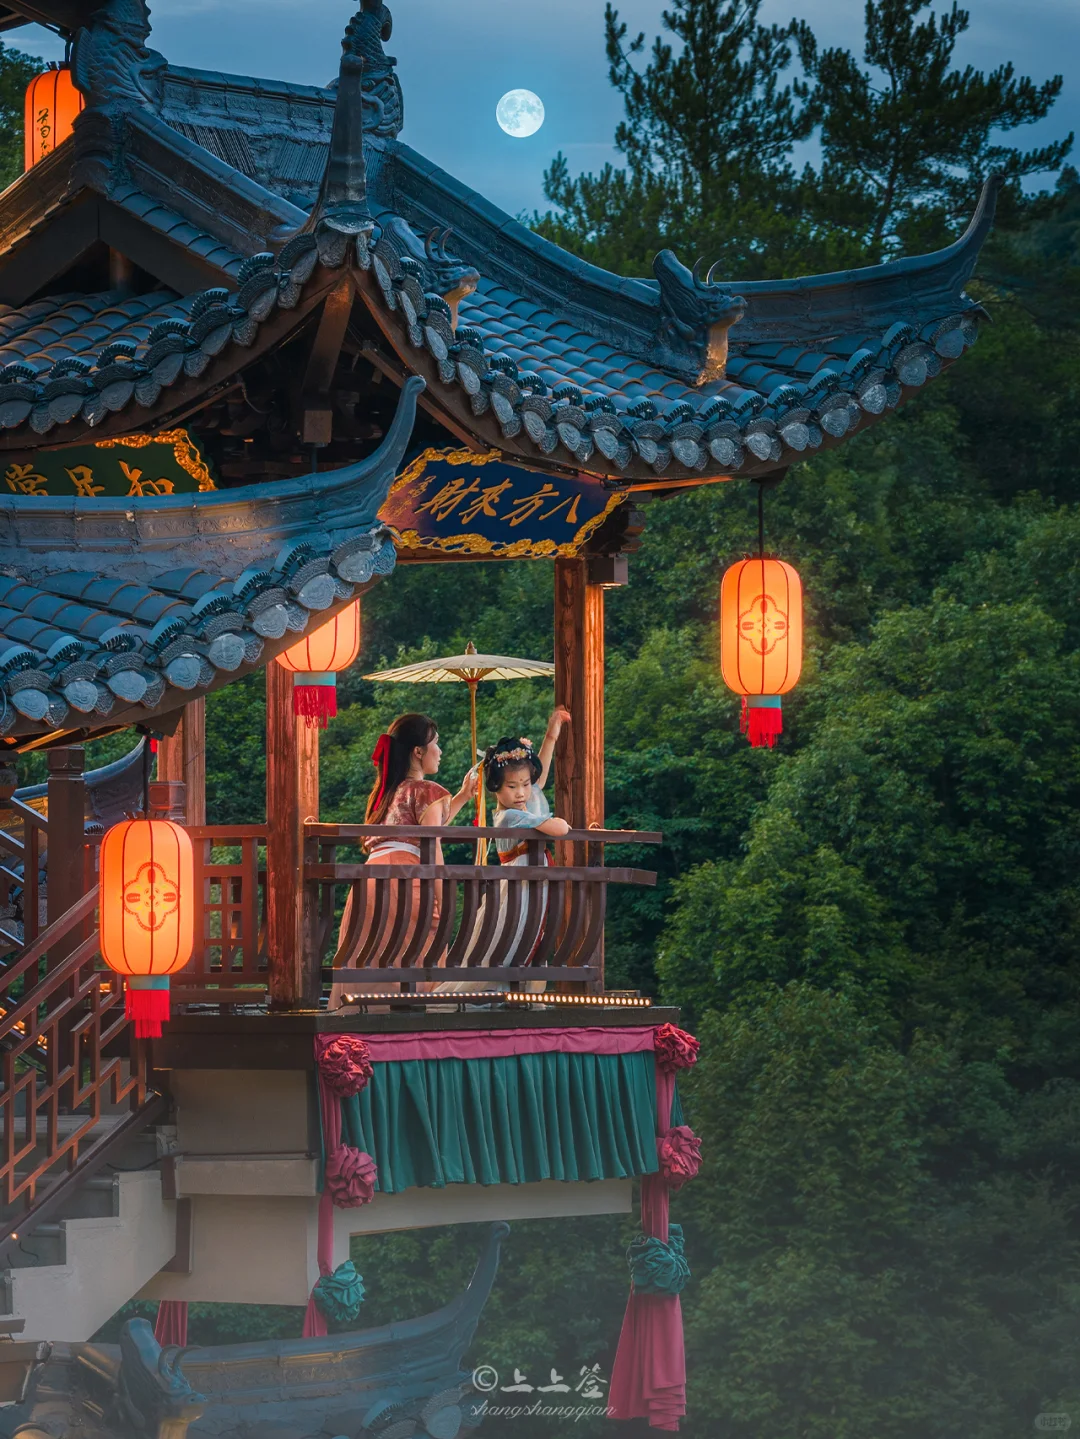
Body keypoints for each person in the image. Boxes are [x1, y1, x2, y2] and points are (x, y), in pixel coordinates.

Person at [328, 712, 476, 1008]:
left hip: (369, 885)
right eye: (436, 743)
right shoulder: (426, 791)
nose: (440, 751)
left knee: (372, 959)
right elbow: (430, 845)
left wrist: (461, 796)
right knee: (419, 955)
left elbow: (426, 824)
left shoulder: (385, 794)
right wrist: (441, 898)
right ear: (418, 752)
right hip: (405, 881)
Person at [436, 708, 571, 989]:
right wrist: (557, 821)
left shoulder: (522, 802)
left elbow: (538, 781)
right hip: (520, 884)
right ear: (496, 787)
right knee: (511, 934)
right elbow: (558, 829)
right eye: (512, 786)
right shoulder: (510, 815)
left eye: (523, 784)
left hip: (529, 881)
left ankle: (523, 991)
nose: (521, 792)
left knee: (528, 933)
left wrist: (551, 735)